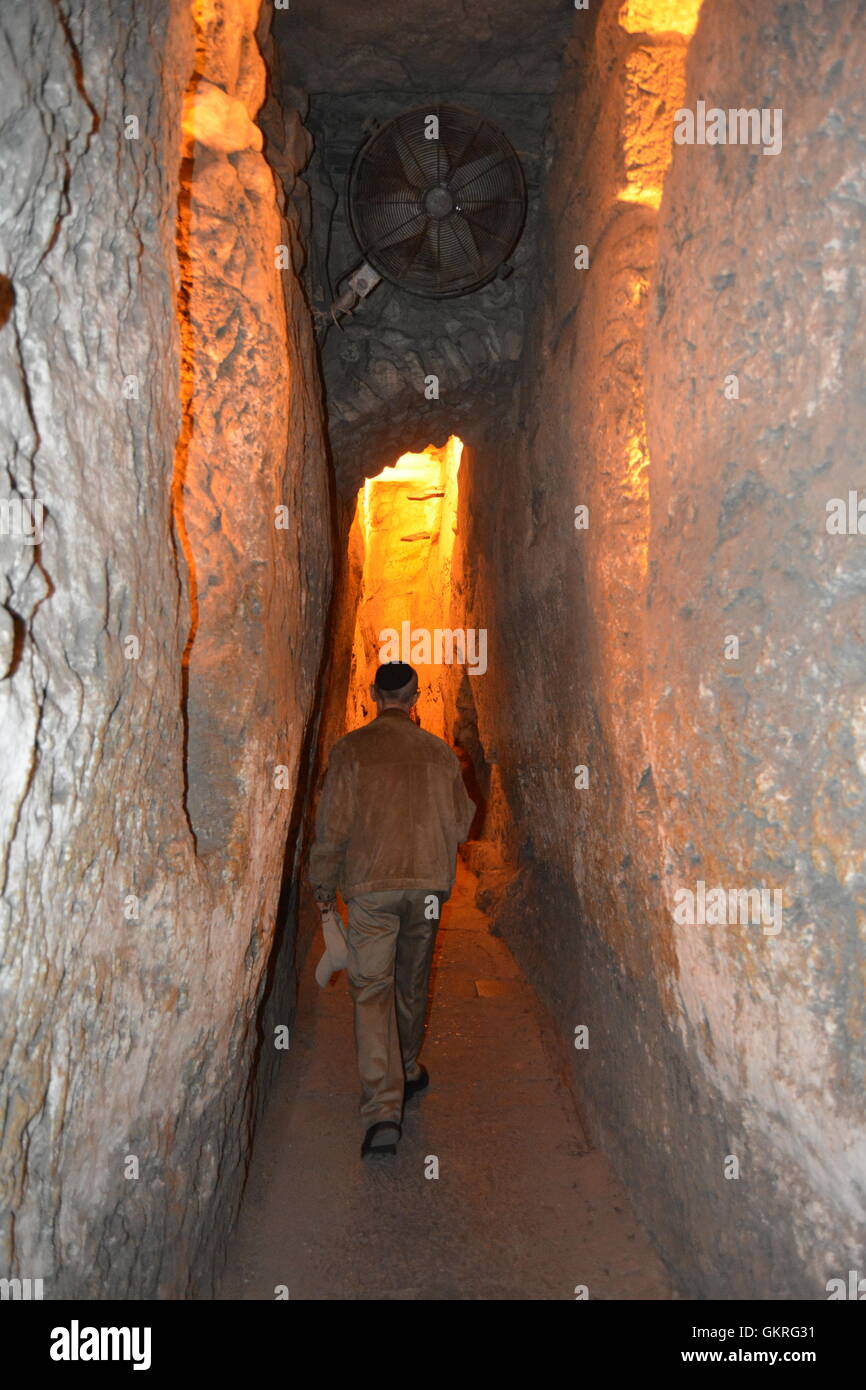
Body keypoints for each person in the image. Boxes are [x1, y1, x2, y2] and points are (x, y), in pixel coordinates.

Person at [308, 661, 476, 1159]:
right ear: (416, 696)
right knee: (412, 981)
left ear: (373, 694)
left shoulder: (350, 751)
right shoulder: (439, 753)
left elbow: (332, 828)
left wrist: (323, 887)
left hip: (371, 889)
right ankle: (406, 1067)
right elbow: (463, 822)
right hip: (425, 887)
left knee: (371, 990)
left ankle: (383, 1109)